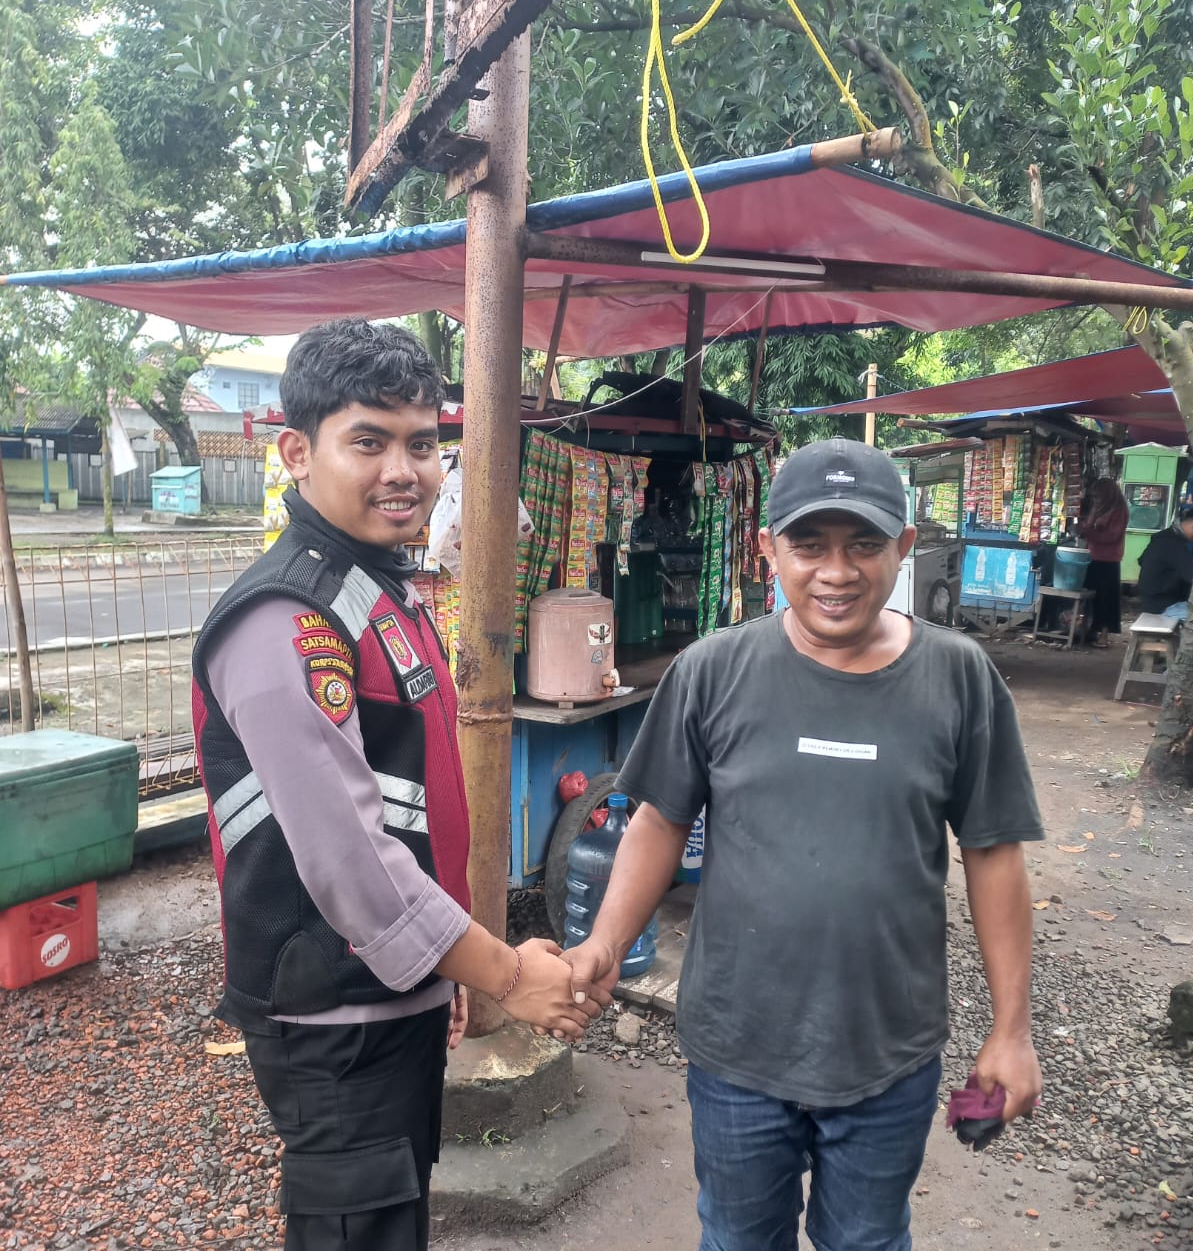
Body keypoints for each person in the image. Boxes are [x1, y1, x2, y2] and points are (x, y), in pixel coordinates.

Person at [561, 437, 1045, 1251]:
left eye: (864, 544)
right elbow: (659, 820)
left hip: (886, 1049)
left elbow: (994, 852)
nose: (836, 572)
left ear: (904, 545)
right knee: (739, 1238)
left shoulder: (960, 679)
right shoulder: (713, 670)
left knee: (867, 1239)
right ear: (767, 549)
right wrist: (605, 944)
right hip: (737, 1047)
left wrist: (1012, 1029)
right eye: (809, 544)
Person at [192, 319, 608, 1251]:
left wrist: (437, 970)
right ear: (297, 453)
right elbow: (351, 860)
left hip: (390, 986)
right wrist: (506, 975)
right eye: (368, 442)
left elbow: (414, 806)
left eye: (422, 444)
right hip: (333, 1011)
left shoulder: (379, 587)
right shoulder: (287, 618)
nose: (404, 472)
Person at [1077, 478, 1129, 647]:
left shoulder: (1119, 510)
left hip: (1108, 560)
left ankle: (1104, 634)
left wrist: (1089, 532)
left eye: (1098, 496)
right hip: (1092, 556)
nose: (1096, 499)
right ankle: (1090, 629)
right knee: (1091, 597)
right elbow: (1089, 527)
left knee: (1106, 599)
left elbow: (1112, 536)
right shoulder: (1098, 508)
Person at [1137, 506, 1193, 620]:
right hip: (1164, 606)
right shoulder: (1173, 544)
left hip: (1152, 601)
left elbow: (1141, 560)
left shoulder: (1163, 537)